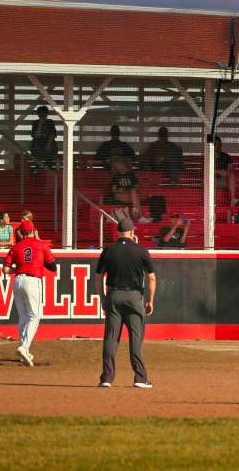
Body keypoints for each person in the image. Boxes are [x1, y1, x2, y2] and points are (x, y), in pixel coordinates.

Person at [96, 218, 156, 389]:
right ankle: (140, 378)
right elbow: (151, 277)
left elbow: (98, 277)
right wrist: (150, 300)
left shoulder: (108, 250)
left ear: (118, 232)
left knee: (111, 337)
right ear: (132, 232)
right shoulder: (141, 250)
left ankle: (106, 378)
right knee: (135, 338)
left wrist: (103, 298)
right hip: (134, 296)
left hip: (114, 295)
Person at [4, 220, 56, 367]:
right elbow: (53, 266)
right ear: (34, 231)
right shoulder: (41, 245)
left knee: (24, 316)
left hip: (18, 280)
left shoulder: (16, 247)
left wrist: (19, 269)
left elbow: (5, 270)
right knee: (36, 315)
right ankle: (24, 347)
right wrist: (39, 262)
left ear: (21, 232)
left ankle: (23, 352)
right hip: (33, 281)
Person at [108, 159, 147, 224]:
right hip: (119, 195)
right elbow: (113, 190)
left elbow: (136, 187)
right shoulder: (116, 176)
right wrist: (119, 190)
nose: (119, 167)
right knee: (134, 196)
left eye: (119, 165)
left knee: (132, 191)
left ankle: (138, 215)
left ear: (124, 164)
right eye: (116, 166)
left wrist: (128, 189)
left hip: (130, 194)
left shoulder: (131, 175)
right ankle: (139, 217)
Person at [28, 105, 59, 170]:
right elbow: (34, 135)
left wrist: (48, 145)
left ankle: (48, 168)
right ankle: (38, 168)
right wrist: (40, 124)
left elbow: (52, 135)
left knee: (49, 152)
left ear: (46, 114)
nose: (42, 115)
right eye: (40, 113)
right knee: (36, 152)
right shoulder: (35, 122)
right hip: (38, 145)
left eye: (44, 113)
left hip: (49, 145)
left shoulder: (50, 122)